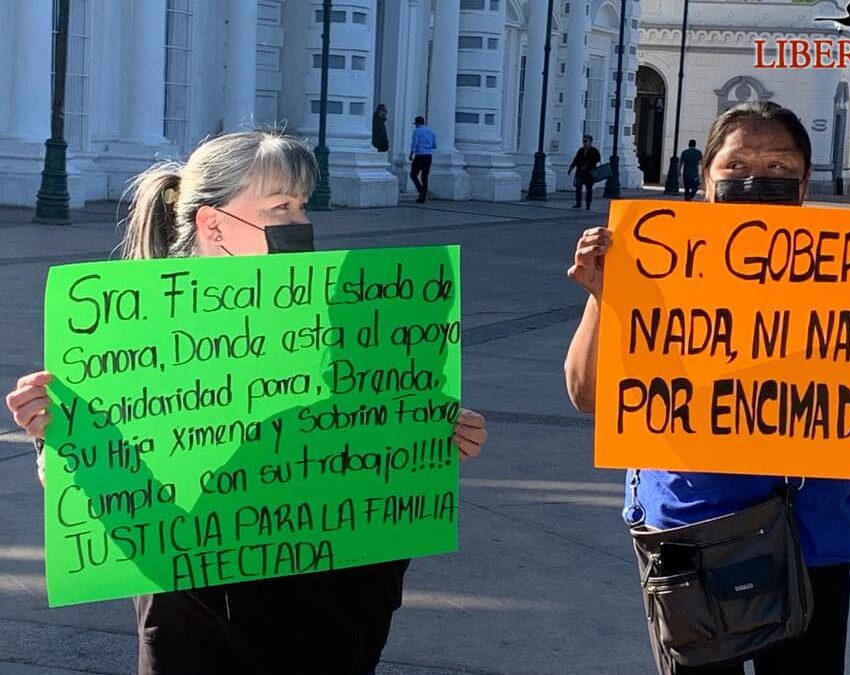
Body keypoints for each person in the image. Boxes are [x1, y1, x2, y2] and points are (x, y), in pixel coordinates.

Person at [4, 129, 488, 675]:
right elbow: (100, 492)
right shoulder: (133, 338)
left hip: (334, 615)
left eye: (302, 205)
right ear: (215, 224)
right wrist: (57, 439)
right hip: (197, 623)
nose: (299, 223)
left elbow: (367, 440)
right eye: (280, 205)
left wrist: (431, 439)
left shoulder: (336, 312)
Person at [563, 101, 850, 675]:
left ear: (805, 182)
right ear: (704, 179)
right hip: (690, 528)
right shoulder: (654, 263)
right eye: (737, 166)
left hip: (810, 533)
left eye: (780, 167)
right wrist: (602, 295)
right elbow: (588, 396)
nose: (758, 179)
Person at [569, 134, 601, 210]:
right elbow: (576, 160)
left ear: (590, 142)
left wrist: (589, 164)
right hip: (580, 172)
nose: (584, 143)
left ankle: (588, 204)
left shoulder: (594, 151)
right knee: (578, 188)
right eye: (583, 141)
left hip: (589, 174)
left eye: (586, 141)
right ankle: (578, 203)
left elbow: (598, 160)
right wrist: (571, 168)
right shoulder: (581, 150)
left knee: (589, 189)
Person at [409, 115, 437, 203]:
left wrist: (411, 153)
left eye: (415, 123)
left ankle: (421, 190)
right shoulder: (430, 131)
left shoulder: (417, 131)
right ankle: (423, 195)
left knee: (413, 175)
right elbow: (434, 144)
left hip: (420, 155)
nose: (415, 125)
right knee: (425, 175)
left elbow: (415, 143)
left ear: (417, 122)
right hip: (428, 155)